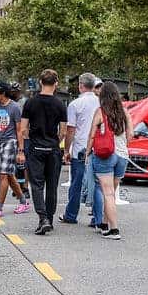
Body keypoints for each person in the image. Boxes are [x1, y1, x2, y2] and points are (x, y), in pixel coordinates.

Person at [20, 69, 68, 235]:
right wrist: (56, 141)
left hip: (36, 147)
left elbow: (23, 128)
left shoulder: (30, 103)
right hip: (53, 148)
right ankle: (50, 218)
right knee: (52, 185)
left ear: (40, 82)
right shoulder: (60, 104)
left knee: (37, 185)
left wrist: (30, 139)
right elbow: (63, 131)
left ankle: (42, 218)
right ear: (56, 83)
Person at [85, 81, 132, 240]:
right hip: (122, 156)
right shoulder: (124, 111)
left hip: (105, 155)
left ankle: (114, 229)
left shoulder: (100, 111)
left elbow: (92, 135)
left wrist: (87, 152)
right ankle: (104, 223)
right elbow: (130, 135)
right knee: (111, 191)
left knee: (108, 193)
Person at [60, 73, 103, 226]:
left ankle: (71, 214)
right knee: (98, 184)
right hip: (98, 147)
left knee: (76, 184)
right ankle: (97, 218)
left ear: (80, 85)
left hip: (80, 148)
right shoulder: (101, 103)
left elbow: (70, 130)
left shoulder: (75, 104)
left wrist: (66, 150)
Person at [0, 81, 29, 218]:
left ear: (2, 92)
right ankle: (23, 201)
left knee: (3, 174)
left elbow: (19, 130)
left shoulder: (15, 107)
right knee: (9, 174)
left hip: (11, 142)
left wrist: (21, 150)